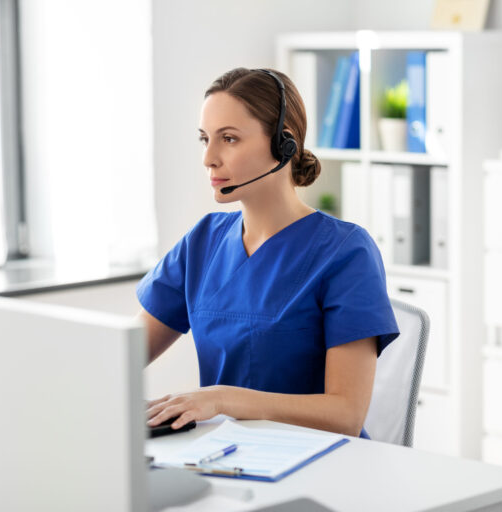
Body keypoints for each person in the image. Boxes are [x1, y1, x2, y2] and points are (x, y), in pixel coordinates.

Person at [138, 67, 400, 438]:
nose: (209, 158)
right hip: (227, 458)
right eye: (205, 139)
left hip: (323, 465)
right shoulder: (202, 242)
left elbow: (346, 414)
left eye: (228, 139)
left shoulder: (346, 253)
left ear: (284, 144)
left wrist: (223, 399)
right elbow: (121, 356)